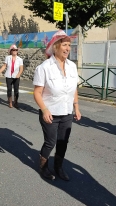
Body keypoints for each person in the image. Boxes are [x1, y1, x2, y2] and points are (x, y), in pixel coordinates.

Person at [33, 30, 81, 181]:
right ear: (56, 47)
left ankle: (58, 167)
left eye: (69, 45)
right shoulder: (44, 67)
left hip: (67, 112)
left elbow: (74, 89)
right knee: (50, 142)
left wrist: (77, 107)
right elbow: (37, 93)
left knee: (63, 142)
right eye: (64, 45)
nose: (68, 48)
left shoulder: (72, 66)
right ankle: (43, 167)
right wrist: (44, 110)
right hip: (50, 112)